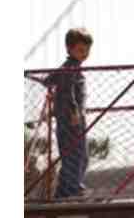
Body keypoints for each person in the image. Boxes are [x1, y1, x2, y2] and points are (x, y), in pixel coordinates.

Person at [43, 27, 93, 199]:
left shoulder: (68, 67)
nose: (84, 54)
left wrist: (52, 88)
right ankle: (72, 189)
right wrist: (74, 111)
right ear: (69, 49)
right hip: (72, 119)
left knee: (75, 155)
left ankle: (64, 191)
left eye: (87, 50)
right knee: (77, 155)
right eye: (80, 50)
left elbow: (49, 80)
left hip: (70, 118)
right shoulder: (71, 68)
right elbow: (67, 90)